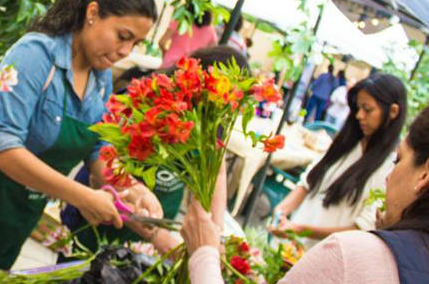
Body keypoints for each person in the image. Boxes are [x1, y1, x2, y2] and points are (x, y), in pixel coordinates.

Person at [0, 0, 163, 272]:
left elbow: (98, 153)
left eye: (135, 43)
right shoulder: (36, 55)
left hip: (18, 218)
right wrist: (83, 196)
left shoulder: (101, 82)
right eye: (122, 36)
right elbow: (1, 146)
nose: (125, 51)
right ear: (93, 13)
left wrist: (133, 188)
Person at [182, 103, 429, 283]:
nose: (390, 175)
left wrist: (204, 254)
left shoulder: (353, 255)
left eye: (399, 160)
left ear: (425, 175)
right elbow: (309, 179)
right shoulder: (346, 145)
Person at [60, 45, 248, 255]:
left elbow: (216, 172)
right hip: (99, 220)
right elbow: (107, 169)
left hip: (148, 236)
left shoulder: (210, 123)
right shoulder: (147, 103)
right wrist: (158, 237)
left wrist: (215, 234)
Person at [269, 74, 406, 249]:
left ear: (393, 111)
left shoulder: (390, 168)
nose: (359, 115)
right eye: (357, 108)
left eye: (367, 109)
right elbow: (310, 179)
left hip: (325, 253)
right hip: (291, 244)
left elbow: (360, 228)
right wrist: (282, 210)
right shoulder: (348, 143)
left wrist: (301, 229)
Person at [158, 4, 217, 69]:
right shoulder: (210, 30)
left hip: (170, 64)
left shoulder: (180, 20)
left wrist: (166, 54)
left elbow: (162, 42)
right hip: (190, 69)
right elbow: (212, 52)